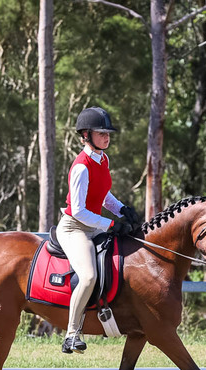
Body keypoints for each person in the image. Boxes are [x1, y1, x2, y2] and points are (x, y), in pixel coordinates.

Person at [57, 106, 141, 354]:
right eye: (101, 133)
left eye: (108, 133)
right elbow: (79, 210)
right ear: (86, 135)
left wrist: (122, 209)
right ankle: (71, 334)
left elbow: (103, 196)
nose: (107, 137)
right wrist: (111, 224)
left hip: (93, 225)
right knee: (89, 277)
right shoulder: (81, 166)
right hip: (75, 229)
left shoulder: (103, 159)